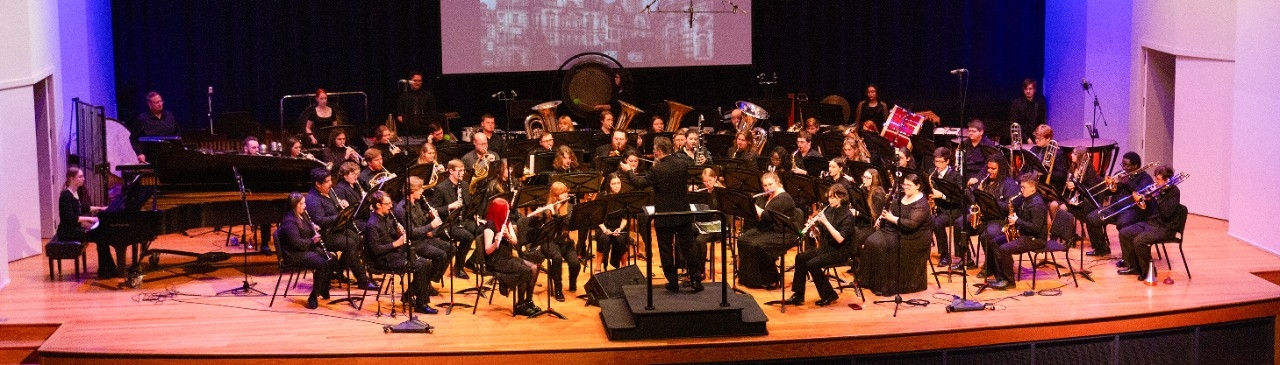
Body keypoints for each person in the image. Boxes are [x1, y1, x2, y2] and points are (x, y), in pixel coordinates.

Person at [619, 137, 701, 292]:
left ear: (658, 151)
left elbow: (639, 183)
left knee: (665, 249)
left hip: (665, 215)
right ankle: (696, 280)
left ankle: (673, 283)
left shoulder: (657, 169)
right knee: (688, 246)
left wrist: (629, 171)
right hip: (683, 212)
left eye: (655, 150)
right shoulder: (683, 164)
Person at [304, 167, 378, 291]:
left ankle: (336, 270)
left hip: (336, 229)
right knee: (350, 244)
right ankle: (362, 280)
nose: (330, 184)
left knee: (358, 239)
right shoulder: (312, 199)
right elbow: (321, 221)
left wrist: (342, 206)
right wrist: (340, 215)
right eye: (327, 181)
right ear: (317, 184)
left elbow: (335, 209)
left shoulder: (330, 192)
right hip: (324, 235)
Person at [364, 191, 438, 314]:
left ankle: (412, 296)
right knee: (422, 265)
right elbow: (376, 250)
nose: (390, 206)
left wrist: (398, 233)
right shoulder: (372, 225)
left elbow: (390, 235)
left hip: (393, 254)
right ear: (378, 205)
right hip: (382, 260)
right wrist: (396, 243)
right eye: (387, 204)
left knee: (426, 263)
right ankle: (421, 304)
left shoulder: (386, 217)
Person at [859, 173, 932, 296]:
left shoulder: (922, 203)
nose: (905, 187)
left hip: (914, 237)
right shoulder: (902, 195)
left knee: (883, 245)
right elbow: (892, 208)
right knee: (871, 241)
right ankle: (870, 281)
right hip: (897, 229)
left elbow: (912, 224)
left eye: (909, 185)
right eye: (904, 184)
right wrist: (882, 218)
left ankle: (886, 286)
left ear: (918, 186)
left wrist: (891, 218)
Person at [787, 184, 857, 306]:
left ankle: (829, 294)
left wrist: (825, 221)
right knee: (800, 257)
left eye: (832, 197)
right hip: (826, 248)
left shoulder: (848, 216)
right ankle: (798, 295)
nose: (829, 200)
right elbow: (820, 234)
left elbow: (840, 239)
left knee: (812, 264)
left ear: (841, 198)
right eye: (829, 197)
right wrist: (814, 228)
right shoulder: (829, 209)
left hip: (840, 251)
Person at [984, 173, 1048, 290]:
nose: (1021, 190)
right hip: (1024, 233)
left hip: (1035, 238)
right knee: (994, 242)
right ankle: (1000, 276)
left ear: (1033, 188)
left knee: (1004, 249)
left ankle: (1009, 281)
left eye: (1024, 187)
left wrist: (1017, 221)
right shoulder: (1025, 198)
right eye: (1021, 186)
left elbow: (1036, 228)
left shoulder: (1037, 204)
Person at [1116, 165, 1181, 281]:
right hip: (1151, 222)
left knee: (1139, 241)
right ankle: (1134, 267)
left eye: (1159, 179)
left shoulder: (1174, 192)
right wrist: (1144, 199)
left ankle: (1148, 272)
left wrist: (1156, 197)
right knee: (1124, 232)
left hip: (1165, 227)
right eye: (1156, 179)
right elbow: (1150, 209)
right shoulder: (1159, 190)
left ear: (1167, 180)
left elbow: (1166, 213)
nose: (1156, 182)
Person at [479, 199, 542, 316]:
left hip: (507, 257)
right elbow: (488, 251)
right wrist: (495, 242)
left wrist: (507, 236)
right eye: (506, 210)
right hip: (496, 261)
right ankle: (520, 305)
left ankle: (528, 300)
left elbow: (515, 241)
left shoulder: (506, 223)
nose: (508, 212)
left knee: (533, 268)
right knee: (525, 271)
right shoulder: (490, 226)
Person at [736, 172, 799, 289]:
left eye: (770, 184)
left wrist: (752, 205)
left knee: (758, 245)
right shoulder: (767, 196)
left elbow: (766, 216)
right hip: (768, 229)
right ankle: (748, 278)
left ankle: (772, 278)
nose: (768, 188)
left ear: (778, 182)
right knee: (742, 239)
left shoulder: (784, 198)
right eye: (765, 185)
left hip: (782, 232)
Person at [277, 192, 337, 309]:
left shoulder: (302, 215)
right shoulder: (289, 222)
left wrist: (313, 228)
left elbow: (305, 232)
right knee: (322, 264)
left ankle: (323, 288)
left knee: (332, 259)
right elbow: (297, 243)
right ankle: (313, 297)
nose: (305, 206)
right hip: (294, 255)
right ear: (295, 205)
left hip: (306, 250)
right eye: (302, 203)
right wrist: (312, 240)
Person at [394, 176, 452, 288]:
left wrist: (430, 217)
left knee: (450, 248)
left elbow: (421, 222)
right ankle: (423, 284)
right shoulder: (402, 209)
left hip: (423, 238)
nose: (422, 191)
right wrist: (431, 225)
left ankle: (426, 281)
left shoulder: (416, 203)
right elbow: (411, 232)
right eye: (420, 188)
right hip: (413, 243)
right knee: (440, 255)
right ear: (412, 191)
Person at [528, 182, 579, 301]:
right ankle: (558, 288)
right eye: (562, 193)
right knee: (556, 258)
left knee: (575, 263)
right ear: (555, 196)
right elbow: (537, 230)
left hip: (566, 242)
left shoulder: (571, 208)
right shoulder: (548, 209)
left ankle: (572, 282)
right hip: (550, 243)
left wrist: (555, 214)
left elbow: (567, 223)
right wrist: (537, 217)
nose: (566, 194)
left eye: (566, 192)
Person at [971, 156, 1020, 275]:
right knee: (959, 223)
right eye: (988, 168)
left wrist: (992, 202)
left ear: (1001, 169)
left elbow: (1011, 207)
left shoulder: (1009, 184)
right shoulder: (985, 182)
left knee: (985, 235)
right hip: (986, 217)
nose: (989, 171)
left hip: (1002, 220)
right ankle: (966, 260)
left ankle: (990, 265)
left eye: (993, 169)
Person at [430, 159, 479, 279]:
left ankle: (472, 261)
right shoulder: (441, 188)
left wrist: (475, 216)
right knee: (468, 237)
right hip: (448, 223)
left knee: (484, 229)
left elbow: (468, 205)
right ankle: (459, 267)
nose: (462, 173)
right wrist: (449, 206)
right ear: (451, 171)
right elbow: (434, 210)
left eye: (463, 170)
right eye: (459, 171)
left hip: (463, 220)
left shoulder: (464, 185)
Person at [58, 167, 108, 278]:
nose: (83, 179)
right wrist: (91, 219)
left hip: (75, 228)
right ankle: (105, 270)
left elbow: (83, 208)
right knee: (101, 236)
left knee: (103, 236)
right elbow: (71, 218)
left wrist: (100, 208)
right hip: (67, 231)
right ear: (72, 178)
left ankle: (107, 269)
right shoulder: (65, 196)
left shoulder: (75, 193)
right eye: (80, 176)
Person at [925, 147, 964, 267]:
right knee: (925, 219)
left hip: (954, 208)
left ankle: (945, 255)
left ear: (947, 161)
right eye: (935, 161)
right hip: (939, 208)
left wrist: (941, 195)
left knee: (937, 223)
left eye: (940, 162)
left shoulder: (955, 176)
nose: (937, 165)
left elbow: (959, 198)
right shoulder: (932, 172)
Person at [593, 173, 631, 271]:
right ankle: (598, 266)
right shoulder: (602, 196)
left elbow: (625, 217)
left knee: (621, 239)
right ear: (609, 185)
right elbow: (597, 217)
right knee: (604, 239)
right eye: (613, 184)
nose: (617, 186)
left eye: (618, 183)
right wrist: (605, 230)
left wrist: (620, 228)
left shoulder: (624, 196)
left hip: (619, 226)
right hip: (604, 226)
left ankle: (623, 266)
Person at [131, 92, 179, 163]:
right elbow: (133, 138)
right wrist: (140, 153)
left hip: (170, 156)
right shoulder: (142, 119)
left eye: (161, 101)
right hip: (152, 158)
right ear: (149, 104)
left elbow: (177, 135)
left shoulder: (169, 116)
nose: (160, 104)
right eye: (156, 102)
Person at [1026, 124, 1067, 190]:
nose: (1036, 140)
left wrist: (1045, 173)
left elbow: (1062, 175)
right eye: (1036, 138)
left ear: (1048, 138)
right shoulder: (1033, 149)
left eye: (1040, 139)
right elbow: (1027, 167)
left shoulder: (1058, 152)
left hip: (1047, 186)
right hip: (1032, 184)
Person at [959, 119, 1000, 184]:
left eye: (973, 131)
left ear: (981, 132)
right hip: (966, 173)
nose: (970, 133)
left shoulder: (988, 145)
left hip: (981, 174)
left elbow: (988, 165)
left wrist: (977, 178)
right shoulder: (965, 143)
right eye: (969, 131)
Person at [1010, 79, 1047, 143]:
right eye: (1026, 89)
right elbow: (1014, 124)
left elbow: (1041, 122)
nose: (1028, 91)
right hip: (1020, 139)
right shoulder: (1017, 103)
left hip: (1035, 138)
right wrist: (1027, 138)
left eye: (1030, 89)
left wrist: (1037, 134)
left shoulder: (1039, 103)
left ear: (1034, 90)